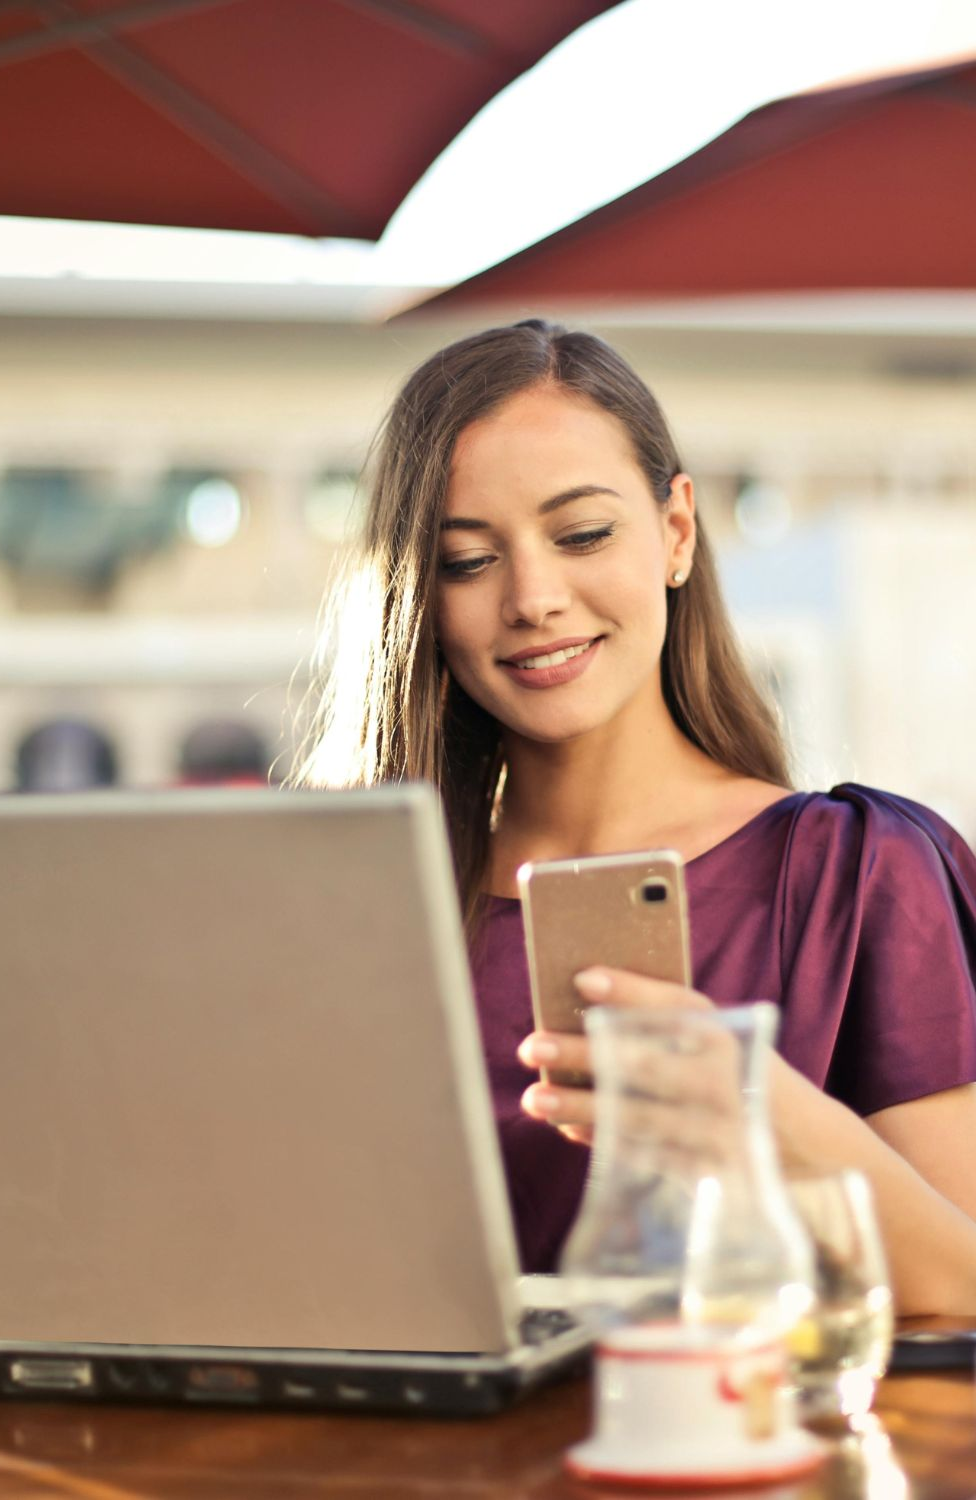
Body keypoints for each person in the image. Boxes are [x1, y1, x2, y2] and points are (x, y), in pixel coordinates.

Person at [295, 320, 976, 1313]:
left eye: (580, 535)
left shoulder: (859, 871)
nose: (533, 599)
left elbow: (963, 1290)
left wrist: (761, 1115)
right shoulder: (354, 906)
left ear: (676, 532)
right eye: (468, 562)